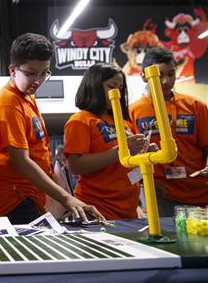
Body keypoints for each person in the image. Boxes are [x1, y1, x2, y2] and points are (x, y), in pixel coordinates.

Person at [0, 33, 104, 224]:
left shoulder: (26, 97)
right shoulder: (8, 103)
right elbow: (21, 161)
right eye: (31, 73)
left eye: (44, 73)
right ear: (12, 70)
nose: (38, 80)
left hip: (30, 196)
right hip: (14, 200)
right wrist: (65, 197)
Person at [63, 63, 149, 220]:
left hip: (129, 210)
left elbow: (129, 164)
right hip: (98, 210)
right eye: (111, 86)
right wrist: (120, 150)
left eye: (121, 87)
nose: (117, 92)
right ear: (94, 86)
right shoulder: (80, 121)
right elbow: (74, 166)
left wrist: (145, 153)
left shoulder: (123, 122)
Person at [129, 46, 208, 216]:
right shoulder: (133, 111)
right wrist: (145, 182)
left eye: (171, 74)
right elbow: (132, 157)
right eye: (159, 75)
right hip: (162, 196)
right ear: (144, 76)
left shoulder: (196, 107)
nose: (165, 81)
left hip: (200, 195)